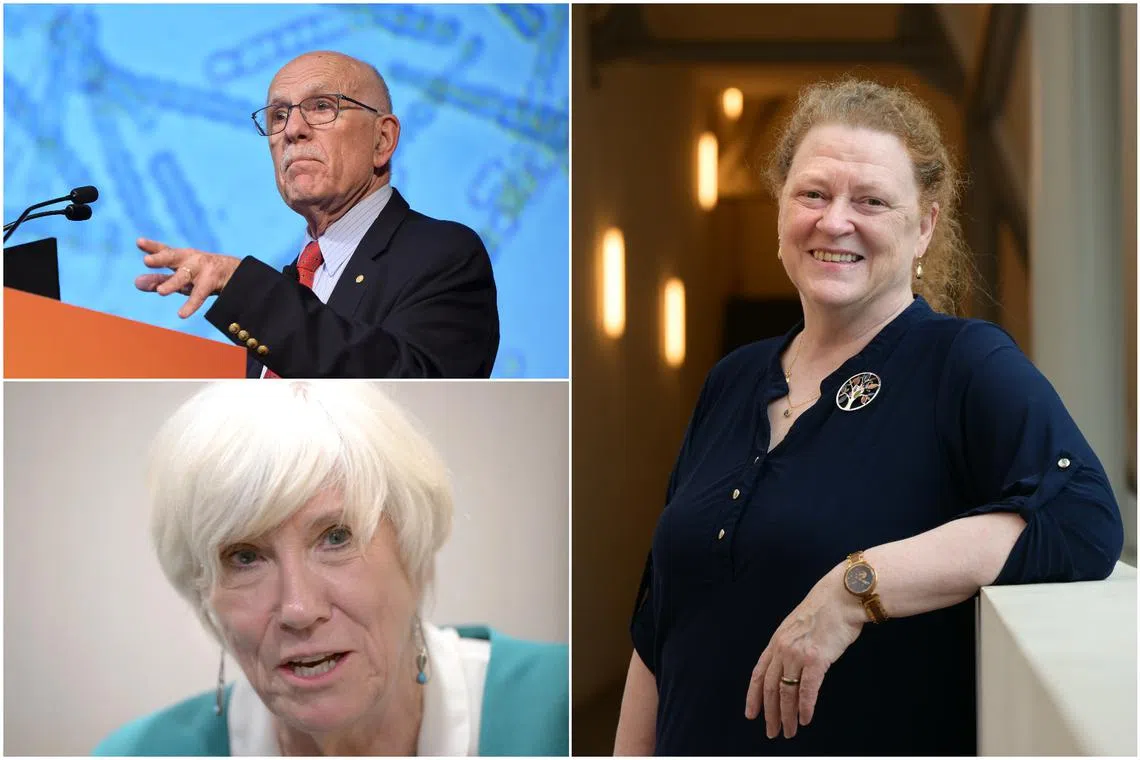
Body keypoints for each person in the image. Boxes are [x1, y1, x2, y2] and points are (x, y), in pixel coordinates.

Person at [613, 79, 1124, 756]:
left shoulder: (963, 364)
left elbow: (1083, 518)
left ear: (925, 228)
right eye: (813, 194)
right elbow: (660, 622)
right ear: (780, 207)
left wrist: (856, 586)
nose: (834, 222)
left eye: (872, 201)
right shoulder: (732, 380)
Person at [94, 382, 567, 756]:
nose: (299, 608)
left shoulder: (563, 708)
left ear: (412, 550)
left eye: (335, 537)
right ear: (203, 593)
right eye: (245, 556)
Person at [134, 51, 499, 378]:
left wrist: (242, 285)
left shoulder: (443, 254)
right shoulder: (296, 279)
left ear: (382, 139)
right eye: (278, 115)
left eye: (322, 106)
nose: (292, 130)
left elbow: (404, 389)